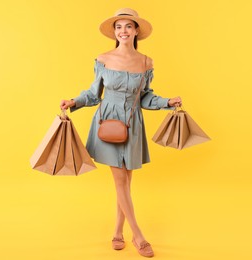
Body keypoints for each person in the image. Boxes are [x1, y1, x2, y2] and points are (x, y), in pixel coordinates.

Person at [60, 8, 182, 258]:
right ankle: (138, 235)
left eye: (128, 26)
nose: (123, 31)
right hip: (108, 122)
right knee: (120, 181)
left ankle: (117, 231)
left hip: (133, 123)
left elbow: (145, 97)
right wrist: (74, 101)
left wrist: (167, 102)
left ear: (136, 31)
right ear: (114, 32)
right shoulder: (103, 59)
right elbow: (94, 94)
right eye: (119, 27)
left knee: (126, 182)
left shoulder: (146, 62)